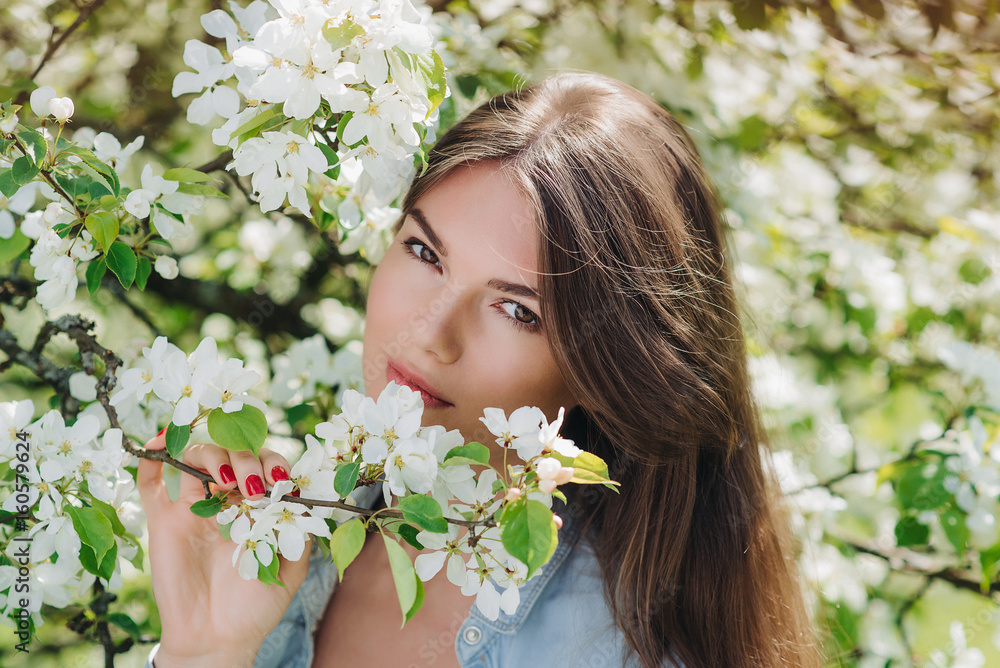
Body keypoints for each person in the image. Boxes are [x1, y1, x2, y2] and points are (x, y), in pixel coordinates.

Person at [138, 72, 823, 668]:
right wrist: (205, 654)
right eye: (424, 252)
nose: (429, 333)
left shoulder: (609, 650)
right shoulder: (291, 538)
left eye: (518, 311)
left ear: (607, 369)